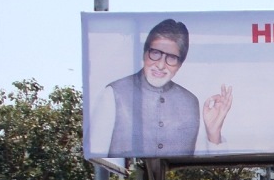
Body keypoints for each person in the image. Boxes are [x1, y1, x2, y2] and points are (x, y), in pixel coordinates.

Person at [91, 18, 233, 157]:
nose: (160, 65)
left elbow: (207, 171)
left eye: (171, 58)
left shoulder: (191, 103)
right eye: (155, 53)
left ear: (180, 65)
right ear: (145, 53)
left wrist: (213, 133)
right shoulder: (113, 94)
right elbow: (99, 162)